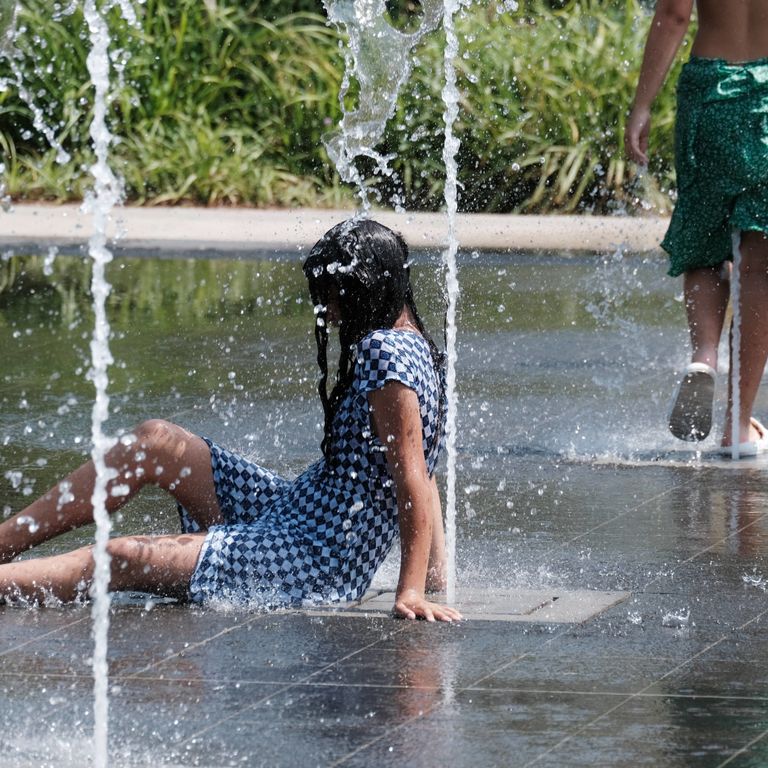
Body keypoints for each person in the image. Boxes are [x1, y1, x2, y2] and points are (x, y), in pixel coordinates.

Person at [0, 219, 461, 622]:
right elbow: (426, 467)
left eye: (333, 295)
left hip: (313, 561)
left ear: (364, 287)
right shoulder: (417, 346)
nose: (328, 310)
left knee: (123, 556)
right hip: (293, 512)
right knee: (156, 441)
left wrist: (410, 592)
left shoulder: (384, 353)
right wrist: (436, 574)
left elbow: (412, 475)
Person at [625, 0, 768, 455]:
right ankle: (737, 425)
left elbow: (674, 14)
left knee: (705, 240)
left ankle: (704, 356)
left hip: (710, 90)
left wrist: (642, 106)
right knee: (761, 264)